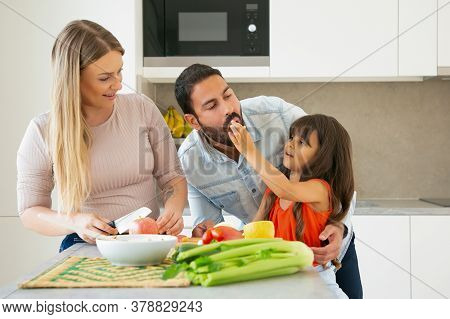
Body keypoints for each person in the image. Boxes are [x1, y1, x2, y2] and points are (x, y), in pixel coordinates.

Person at [176, 63, 363, 298]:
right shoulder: (189, 160)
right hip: (276, 264)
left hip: (327, 254)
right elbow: (214, 227)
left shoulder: (277, 113)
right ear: (193, 121)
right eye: (212, 105)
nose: (228, 108)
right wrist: (203, 233)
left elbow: (336, 169)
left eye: (228, 95)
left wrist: (339, 224)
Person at [17, 20, 187, 252]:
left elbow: (172, 178)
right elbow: (30, 212)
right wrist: (75, 221)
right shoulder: (42, 130)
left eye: (119, 72)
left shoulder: (142, 108)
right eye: (105, 78)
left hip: (147, 240)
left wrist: (174, 209)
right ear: (73, 79)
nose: (118, 84)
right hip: (83, 244)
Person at [228, 114, 354, 298]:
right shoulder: (272, 192)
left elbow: (285, 189)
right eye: (291, 137)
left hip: (316, 280)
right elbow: (249, 234)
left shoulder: (320, 189)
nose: (291, 144)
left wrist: (249, 151)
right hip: (281, 278)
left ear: (323, 156)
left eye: (302, 142)